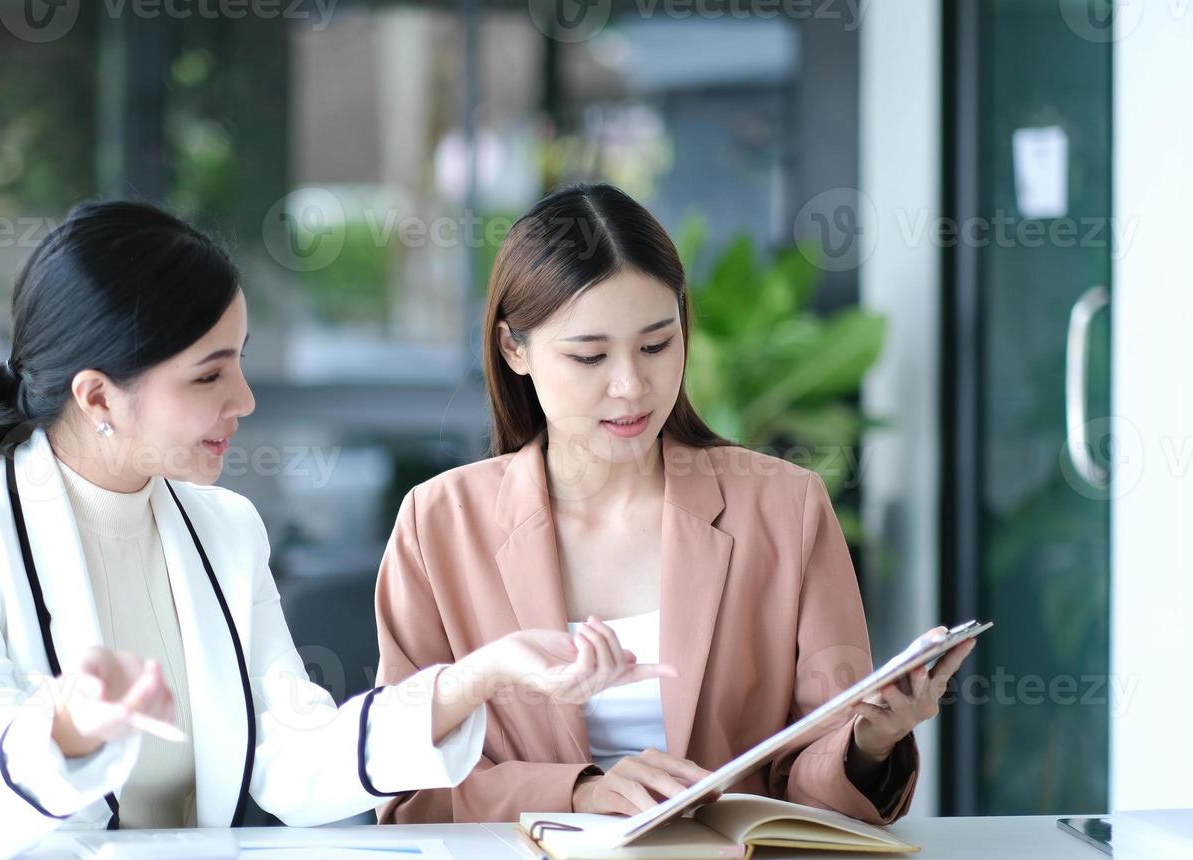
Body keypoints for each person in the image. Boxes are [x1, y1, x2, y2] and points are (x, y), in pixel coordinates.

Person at [0, 200, 672, 859]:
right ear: (99, 398)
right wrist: (71, 726)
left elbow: (292, 757)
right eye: (209, 374)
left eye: (240, 361)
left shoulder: (223, 529)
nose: (245, 399)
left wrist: (478, 678)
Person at [374, 184, 976, 825]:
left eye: (657, 345)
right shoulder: (438, 524)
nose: (631, 386)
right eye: (590, 356)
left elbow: (807, 779)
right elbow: (405, 786)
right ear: (513, 350)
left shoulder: (784, 508)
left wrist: (870, 741)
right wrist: (577, 793)